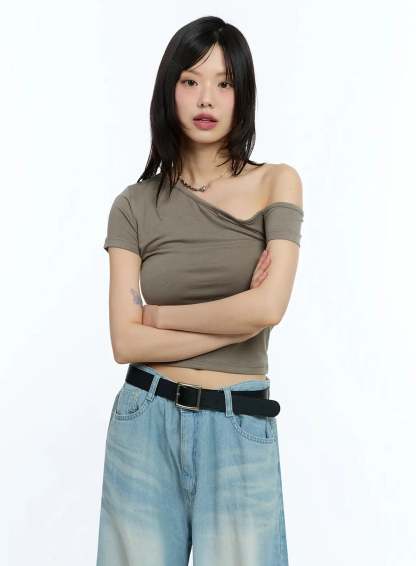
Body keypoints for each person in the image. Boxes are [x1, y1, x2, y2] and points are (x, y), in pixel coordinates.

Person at [96, 15, 304, 566]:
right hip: (145, 419)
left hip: (239, 424)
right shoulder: (134, 204)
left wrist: (158, 316)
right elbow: (125, 343)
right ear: (169, 90)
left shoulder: (276, 182)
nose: (206, 97)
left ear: (243, 94)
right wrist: (235, 322)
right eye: (190, 80)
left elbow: (268, 307)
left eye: (223, 82)